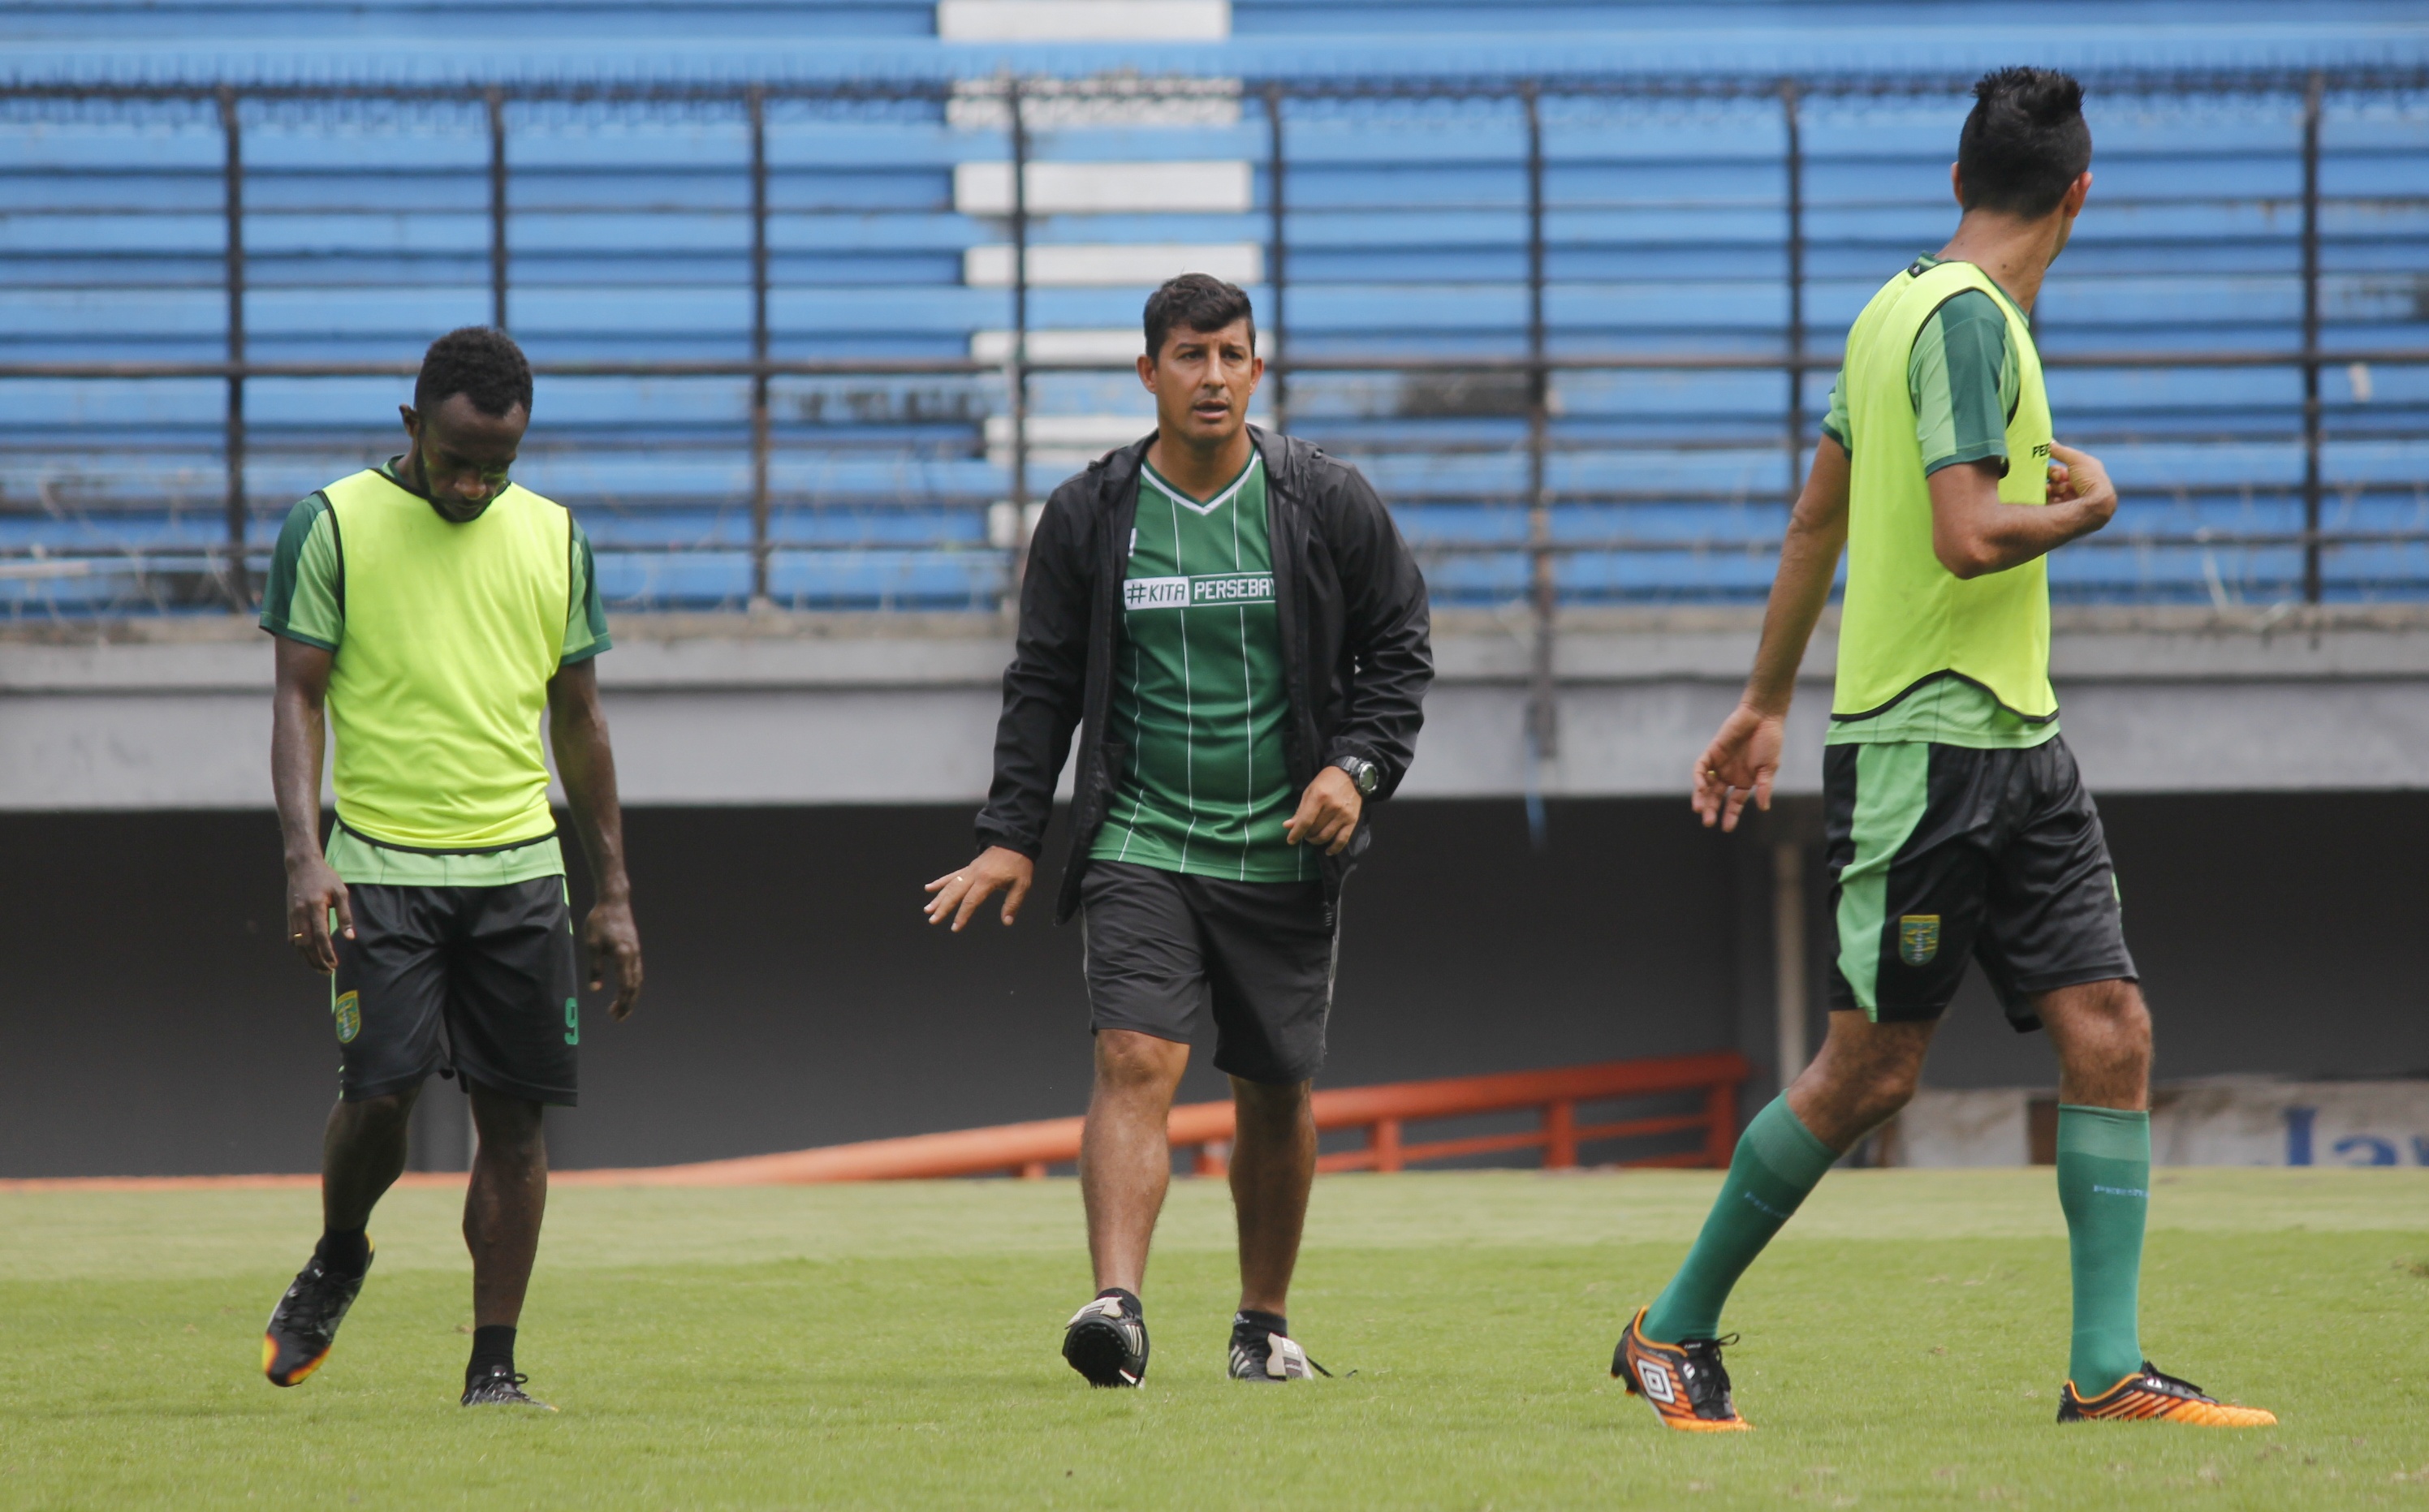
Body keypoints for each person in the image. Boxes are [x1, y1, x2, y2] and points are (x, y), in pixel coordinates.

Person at [1618, 69, 2273, 1431]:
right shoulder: (1971, 326)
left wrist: (1762, 700)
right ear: (2080, 196)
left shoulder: (1893, 308)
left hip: (2021, 743)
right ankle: (1669, 1332)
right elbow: (1971, 537)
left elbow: (1817, 525)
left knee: (2110, 1029)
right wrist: (2092, 508)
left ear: (1959, 179)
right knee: (1871, 1070)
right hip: (1926, 750)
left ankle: (2106, 1371)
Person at [924, 274, 1431, 1387]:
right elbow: (1043, 681)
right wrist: (1012, 832)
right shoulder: (1092, 513)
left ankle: (1262, 1324)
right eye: (1190, 356)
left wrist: (1356, 769)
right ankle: (1118, 1309)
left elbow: (1398, 655)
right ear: (1147, 373)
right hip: (1141, 841)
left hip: (1285, 851)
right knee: (1135, 1054)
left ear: (1258, 368)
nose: (1212, 376)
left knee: (1273, 1087)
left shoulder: (1326, 501)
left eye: (1231, 355)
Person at [256, 326, 643, 1409]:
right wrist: (303, 856)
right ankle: (340, 1251)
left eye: (498, 466)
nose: (474, 484)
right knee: (378, 1098)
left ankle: (494, 1367)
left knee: (516, 1123)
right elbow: (296, 697)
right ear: (411, 425)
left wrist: (613, 893)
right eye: (456, 459)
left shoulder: (556, 539)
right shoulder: (329, 524)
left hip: (519, 871)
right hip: (379, 866)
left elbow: (582, 720)